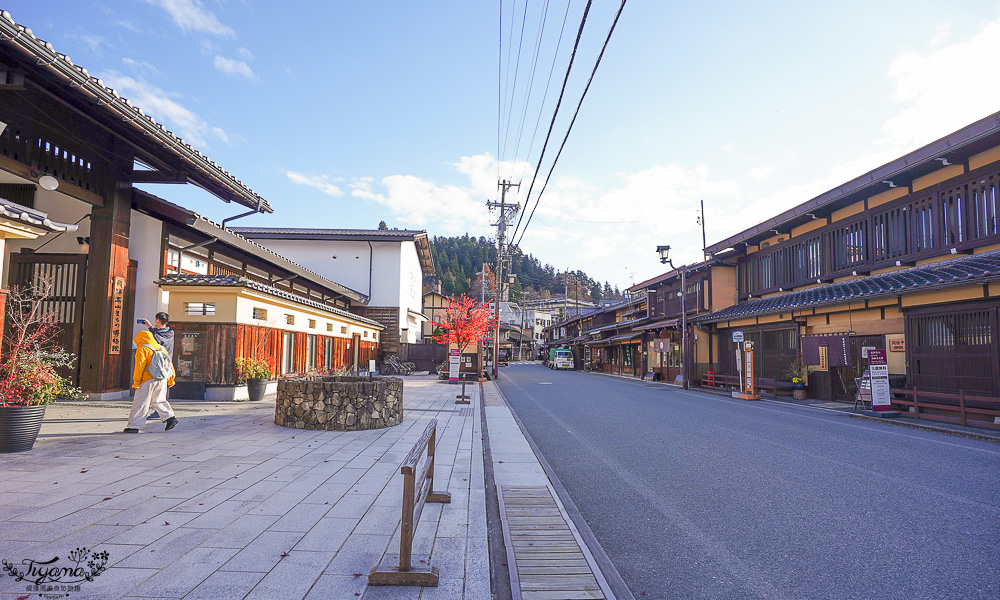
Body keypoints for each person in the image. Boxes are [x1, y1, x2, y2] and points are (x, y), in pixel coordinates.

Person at [124, 330, 177, 433]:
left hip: (147, 380)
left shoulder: (142, 349)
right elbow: (169, 365)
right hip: (162, 379)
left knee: (141, 402)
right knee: (159, 400)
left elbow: (139, 367)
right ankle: (170, 418)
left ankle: (134, 426)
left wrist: (136, 382)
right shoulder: (161, 348)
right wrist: (170, 380)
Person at [140, 312, 174, 419]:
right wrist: (150, 326)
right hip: (167, 363)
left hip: (158, 363)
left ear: (158, 321)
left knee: (158, 391)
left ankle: (161, 412)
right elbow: (159, 333)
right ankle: (160, 411)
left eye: (156, 320)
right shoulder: (170, 333)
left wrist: (150, 329)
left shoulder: (156, 336)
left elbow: (156, 339)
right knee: (162, 388)